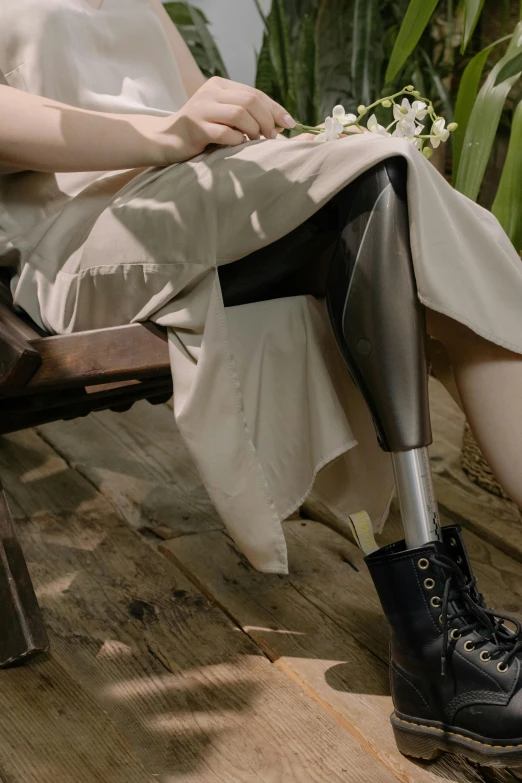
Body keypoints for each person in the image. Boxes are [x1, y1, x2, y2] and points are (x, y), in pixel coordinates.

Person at [2, 0, 522, 765]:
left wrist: (258, 130)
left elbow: (198, 98)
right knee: (382, 174)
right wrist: (167, 133)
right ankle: (437, 643)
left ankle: (435, 648)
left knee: (393, 194)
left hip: (190, 195)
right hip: (78, 236)